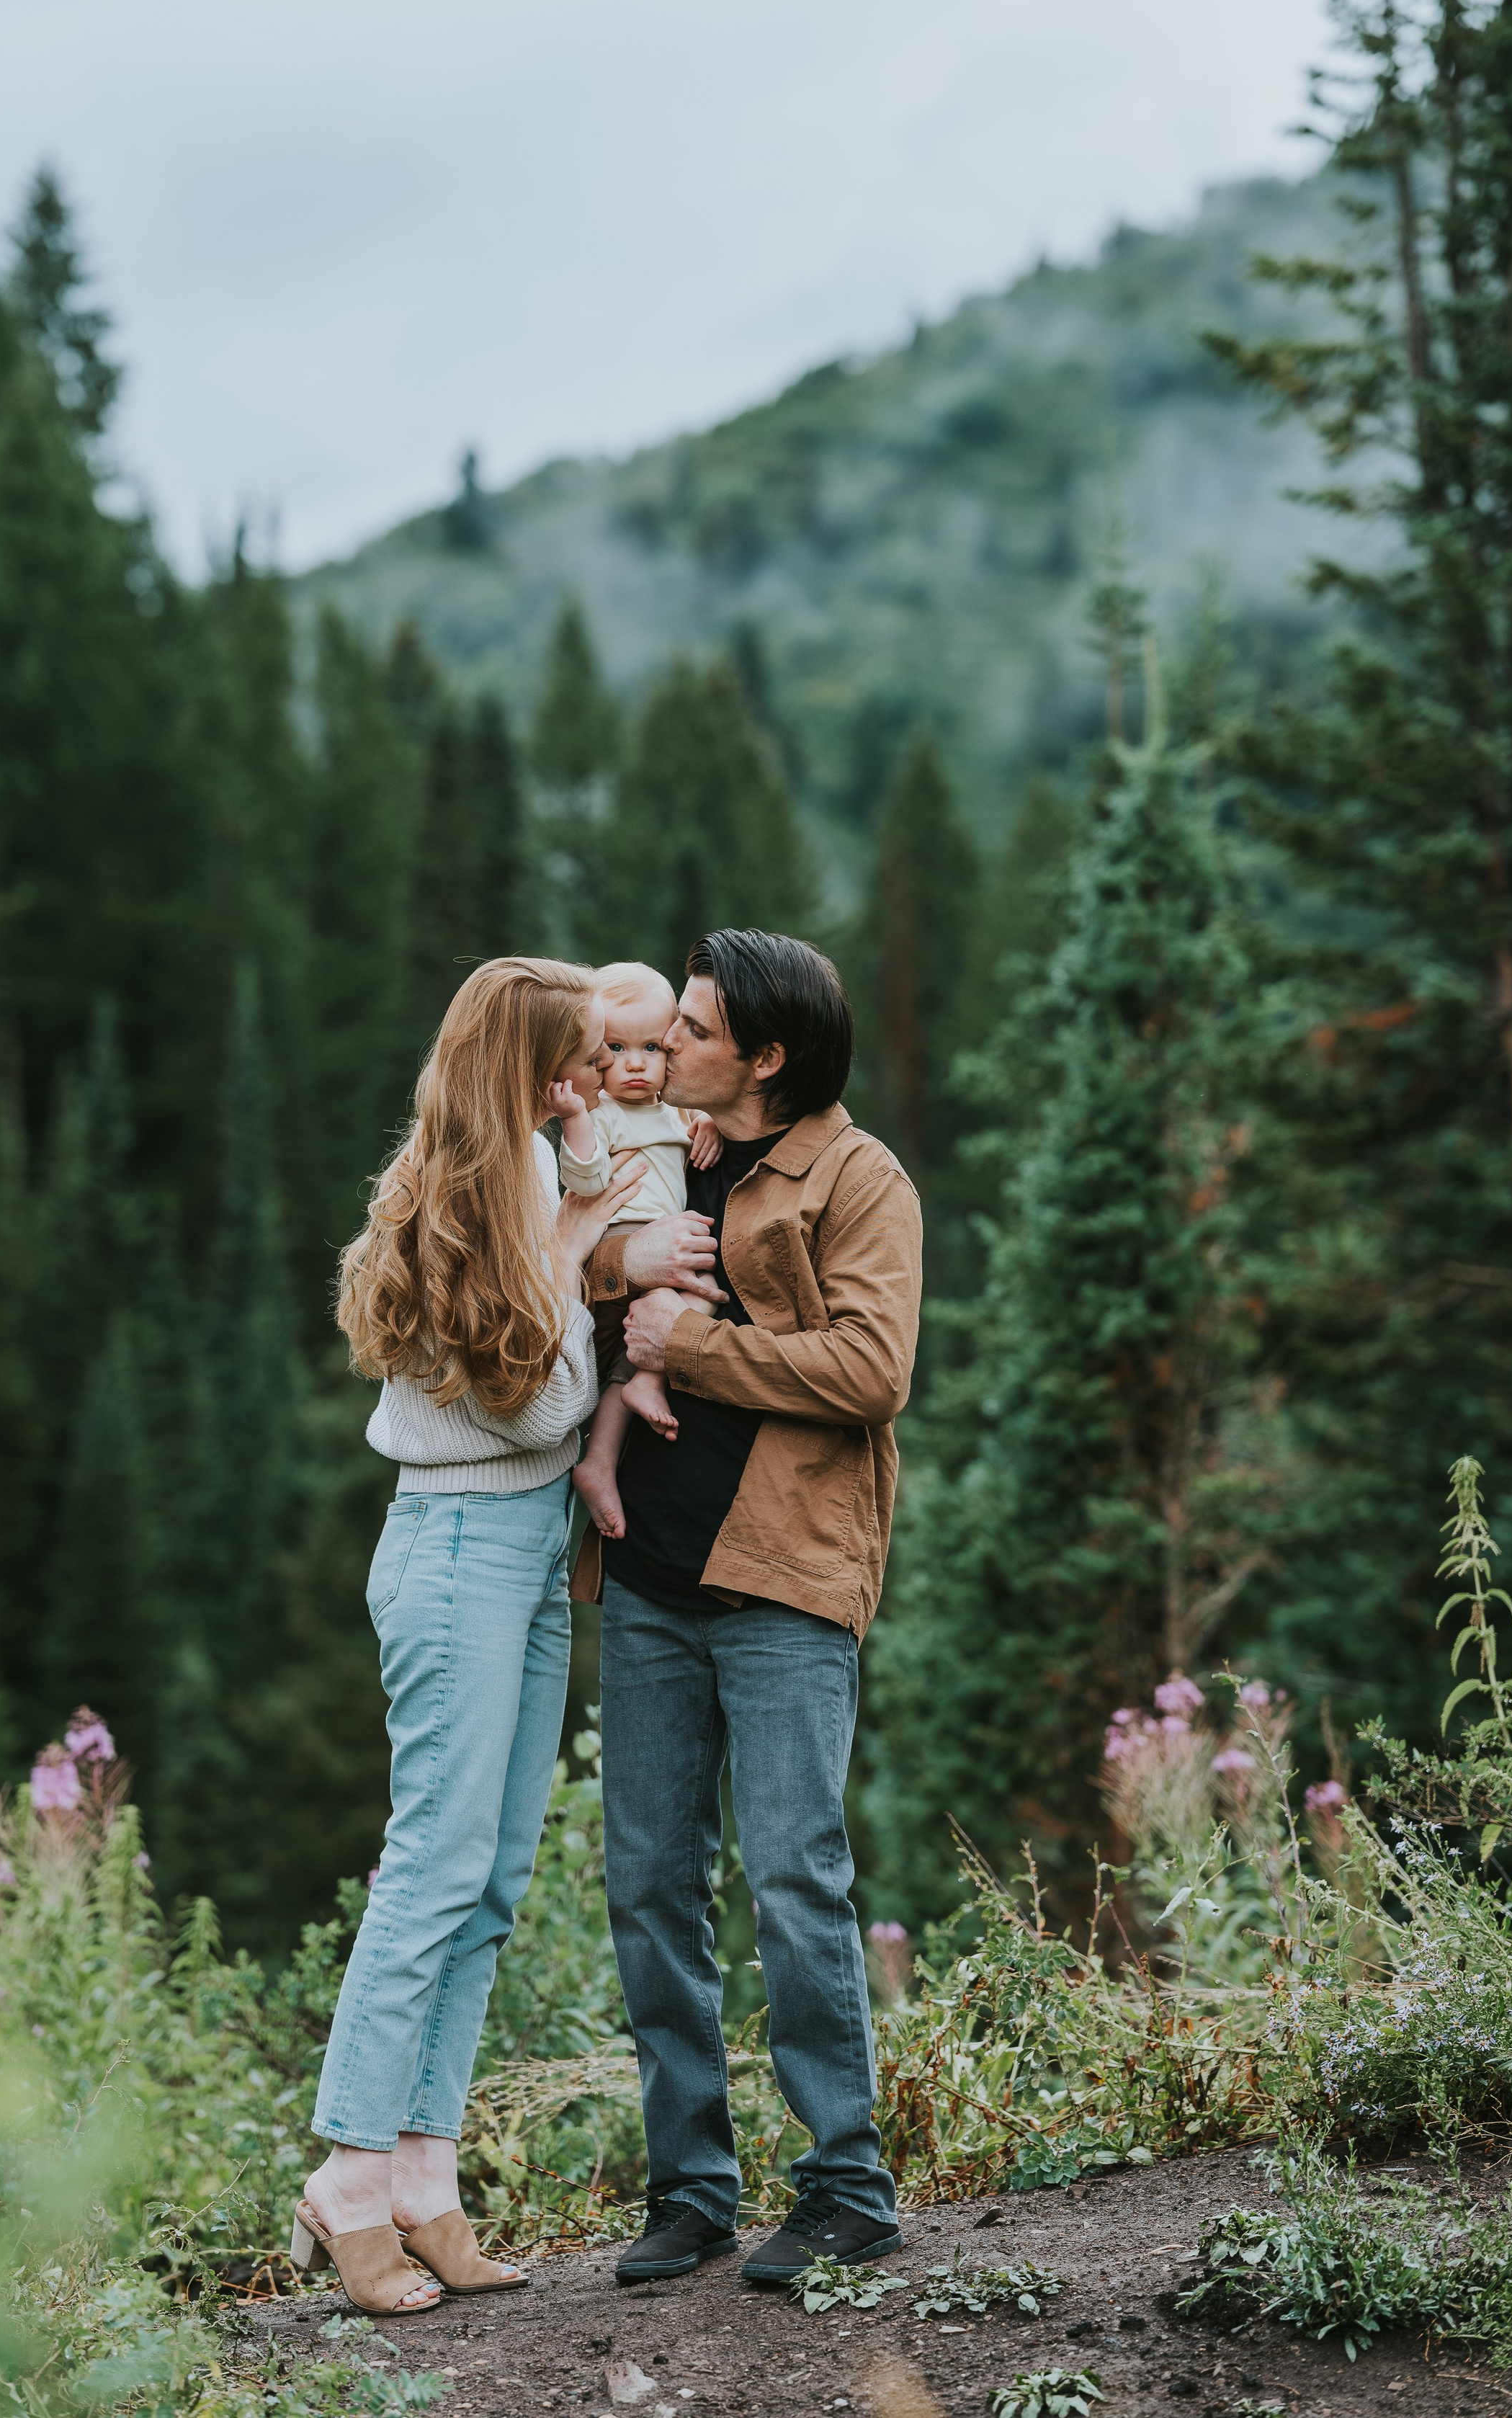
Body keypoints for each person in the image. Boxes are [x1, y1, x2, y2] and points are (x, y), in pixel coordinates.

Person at [290, 957, 643, 2315]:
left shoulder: (537, 1179)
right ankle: (349, 2172)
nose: (589, 1080)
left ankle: (428, 2179)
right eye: (569, 1062)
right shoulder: (455, 1202)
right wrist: (569, 1251)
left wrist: (581, 1176)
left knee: (491, 1876)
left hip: (528, 1553)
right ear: (520, 1067)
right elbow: (536, 1402)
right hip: (453, 1548)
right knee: (432, 1864)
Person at [571, 928, 923, 2289]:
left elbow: (871, 1368)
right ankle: (693, 2189)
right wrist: (619, 1280)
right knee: (650, 1883)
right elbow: (591, 1269)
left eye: (699, 1029)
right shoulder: (664, 1147)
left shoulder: (856, 1175)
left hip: (782, 1579)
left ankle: (846, 2182)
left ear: (767, 1057)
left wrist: (686, 1343)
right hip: (652, 1583)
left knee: (792, 1876)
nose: (670, 1048)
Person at [555, 960, 721, 1540]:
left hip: (667, 1244)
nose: (634, 1063)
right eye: (615, 1048)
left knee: (703, 1298)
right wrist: (576, 1121)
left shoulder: (674, 1110)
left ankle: (600, 1458)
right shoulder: (601, 1114)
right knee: (699, 1293)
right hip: (621, 1237)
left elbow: (693, 1130)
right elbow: (582, 1175)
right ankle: (646, 1382)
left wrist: (709, 1124)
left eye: (651, 1046)